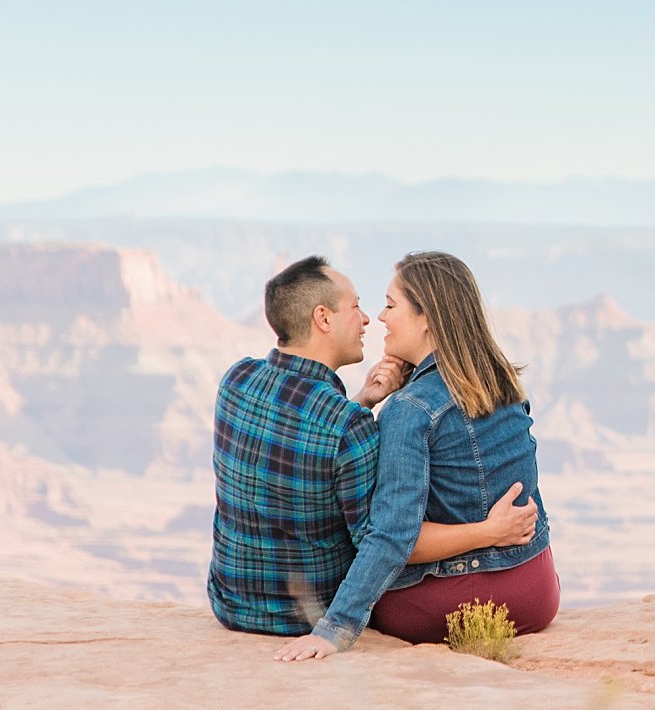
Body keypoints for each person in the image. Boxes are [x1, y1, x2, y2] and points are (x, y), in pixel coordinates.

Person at [207, 255, 537, 638]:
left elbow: (302, 435)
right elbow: (384, 542)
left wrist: (361, 400)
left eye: (384, 305)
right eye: (357, 306)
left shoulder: (236, 379)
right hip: (307, 614)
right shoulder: (351, 427)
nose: (369, 319)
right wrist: (488, 532)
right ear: (323, 318)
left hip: (229, 604)